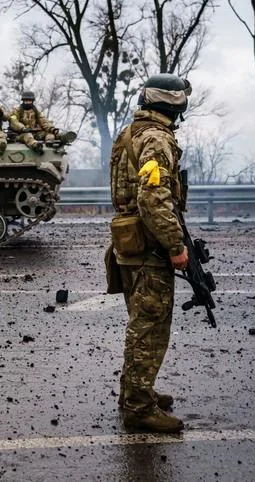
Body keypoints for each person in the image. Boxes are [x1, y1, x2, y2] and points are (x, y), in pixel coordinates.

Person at [106, 73, 193, 434]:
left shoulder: (131, 132)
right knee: (150, 326)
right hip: (149, 247)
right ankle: (138, 408)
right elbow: (153, 198)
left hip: (131, 243)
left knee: (142, 322)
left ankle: (137, 391)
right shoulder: (156, 139)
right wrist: (175, 246)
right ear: (174, 105)